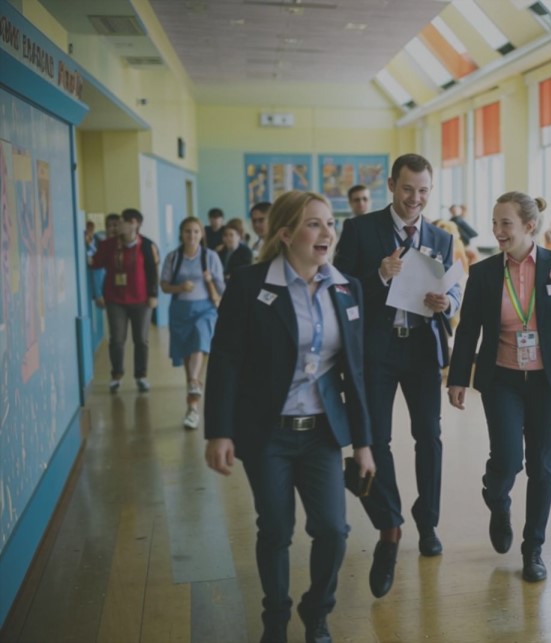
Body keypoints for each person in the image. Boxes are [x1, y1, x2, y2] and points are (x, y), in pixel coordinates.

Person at [203, 190, 376, 643]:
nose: (326, 233)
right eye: (313, 224)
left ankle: (317, 613)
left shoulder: (347, 288)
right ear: (285, 234)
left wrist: (363, 443)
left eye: (329, 223)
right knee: (276, 530)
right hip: (268, 434)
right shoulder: (250, 284)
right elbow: (226, 360)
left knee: (334, 531)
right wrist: (219, 431)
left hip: (322, 433)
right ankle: (275, 619)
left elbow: (355, 372)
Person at [446, 192, 551, 583]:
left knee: (542, 466)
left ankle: (533, 549)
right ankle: (497, 498)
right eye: (494, 223)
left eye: (505, 223)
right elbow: (468, 330)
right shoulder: (484, 272)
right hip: (502, 379)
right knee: (508, 460)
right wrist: (457, 377)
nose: (497, 231)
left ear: (529, 226)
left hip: (549, 380)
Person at [333, 153, 461, 599]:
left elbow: (451, 286)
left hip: (422, 348)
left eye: (423, 190)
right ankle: (390, 524)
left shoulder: (442, 238)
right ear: (391, 185)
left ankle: (429, 523)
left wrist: (447, 303)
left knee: (429, 435)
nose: (415, 199)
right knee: (376, 439)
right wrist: (377, 275)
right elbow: (339, 287)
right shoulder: (360, 230)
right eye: (408, 189)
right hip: (377, 350)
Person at [160, 217, 225, 429]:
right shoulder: (173, 257)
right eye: (188, 231)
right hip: (180, 311)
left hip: (205, 309)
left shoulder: (210, 257)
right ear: (181, 233)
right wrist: (179, 288)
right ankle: (192, 408)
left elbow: (222, 287)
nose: (192, 235)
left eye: (196, 231)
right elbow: (164, 286)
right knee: (188, 357)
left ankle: (195, 381)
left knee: (200, 341)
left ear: (201, 234)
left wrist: (210, 281)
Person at [88, 208, 160, 392]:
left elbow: (153, 272)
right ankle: (116, 375)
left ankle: (141, 376)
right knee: (117, 339)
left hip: (142, 301)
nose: (118, 225)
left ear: (134, 224)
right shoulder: (109, 245)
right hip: (115, 300)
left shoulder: (147, 245)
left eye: (122, 222)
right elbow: (95, 263)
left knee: (141, 340)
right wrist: (87, 247)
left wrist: (153, 295)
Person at [90, 213, 121, 310]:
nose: (112, 229)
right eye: (109, 226)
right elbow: (97, 271)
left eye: (115, 225)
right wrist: (99, 294)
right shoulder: (98, 243)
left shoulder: (124, 244)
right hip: (102, 294)